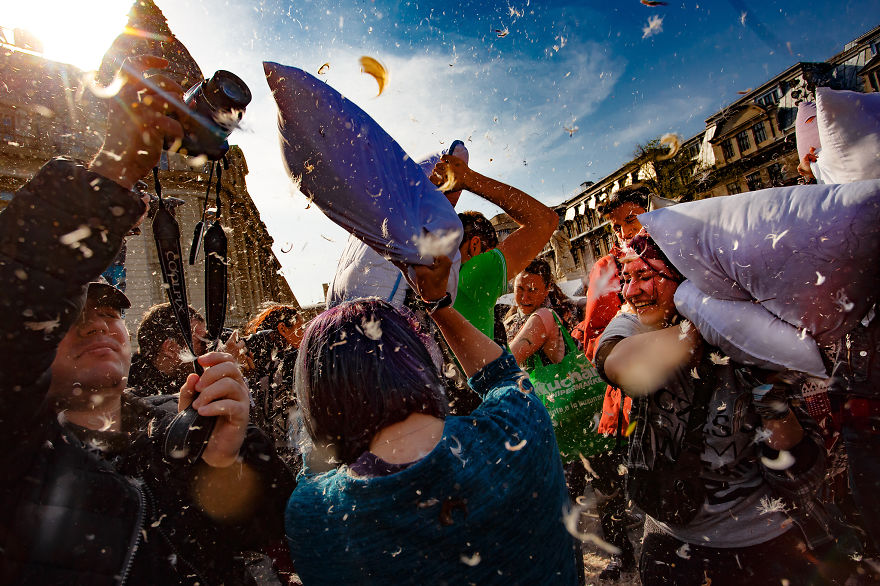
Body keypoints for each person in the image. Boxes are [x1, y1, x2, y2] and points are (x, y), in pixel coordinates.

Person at [0, 55, 293, 585]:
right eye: (73, 317)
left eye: (110, 311)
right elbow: (18, 294)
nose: (96, 324)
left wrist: (226, 463)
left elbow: (264, 537)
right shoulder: (19, 453)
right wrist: (113, 167)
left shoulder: (175, 428)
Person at [284, 256, 578, 584]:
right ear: (418, 358)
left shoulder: (315, 516)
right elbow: (503, 374)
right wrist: (437, 305)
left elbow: (315, 459)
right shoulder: (517, 428)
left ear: (319, 398)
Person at [594, 233, 853, 585]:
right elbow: (615, 364)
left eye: (645, 276)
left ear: (687, 277)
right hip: (669, 536)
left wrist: (771, 401)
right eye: (628, 278)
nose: (630, 292)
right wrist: (703, 329)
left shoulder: (756, 340)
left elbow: (802, 473)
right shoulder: (636, 322)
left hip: (758, 542)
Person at [432, 155, 558, 339]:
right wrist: (468, 179)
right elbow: (545, 220)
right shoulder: (474, 274)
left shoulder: (426, 276)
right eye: (491, 251)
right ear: (475, 245)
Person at [240, 303, 306, 467]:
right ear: (283, 328)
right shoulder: (290, 362)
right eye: (301, 327)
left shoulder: (256, 369)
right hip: (293, 455)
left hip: (267, 456)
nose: (305, 333)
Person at [504, 258, 577, 369]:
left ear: (547, 288)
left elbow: (505, 364)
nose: (524, 297)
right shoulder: (511, 319)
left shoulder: (544, 315)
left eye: (532, 290)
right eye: (520, 288)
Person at [128, 302, 207, 396]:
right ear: (170, 348)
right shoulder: (133, 397)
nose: (207, 348)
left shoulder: (142, 381)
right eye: (201, 342)